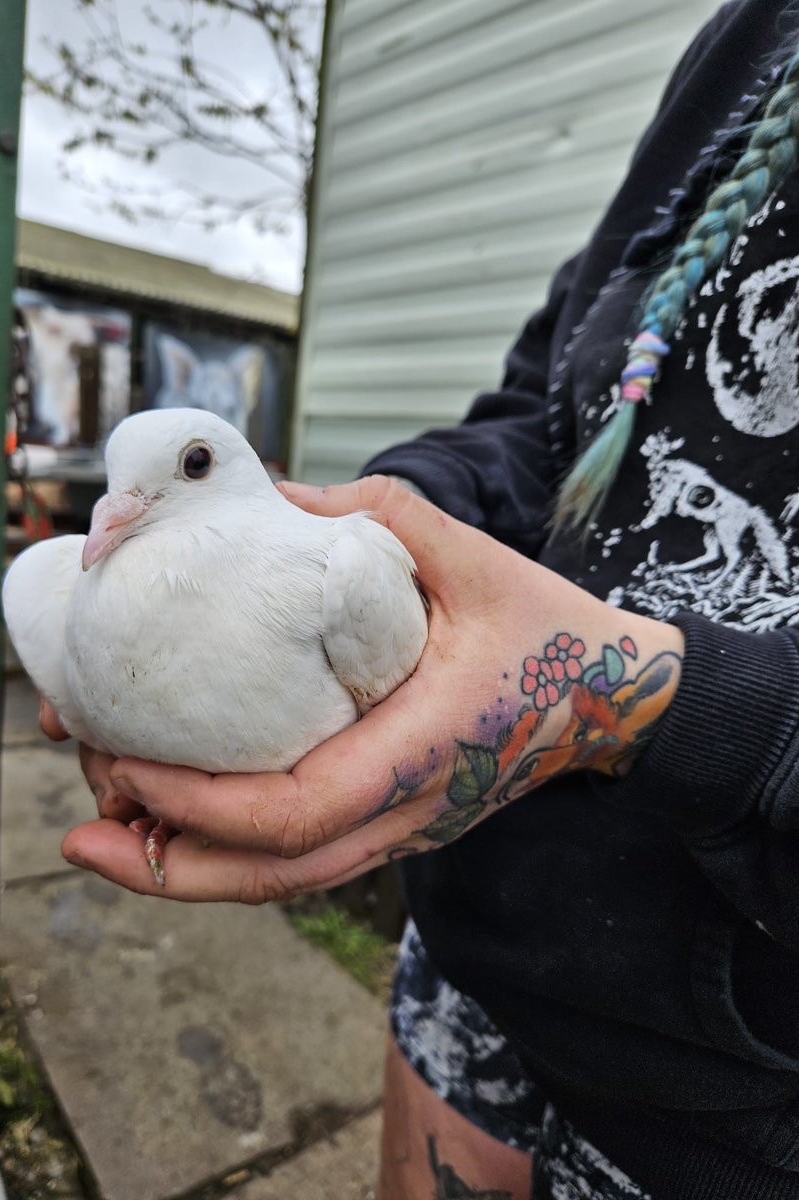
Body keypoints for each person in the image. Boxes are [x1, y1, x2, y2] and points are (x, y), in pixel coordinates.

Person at [48, 2, 799, 1195]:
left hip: (736, 1108)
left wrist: (676, 708)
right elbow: (539, 411)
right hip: (486, 936)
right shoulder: (749, 44)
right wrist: (392, 515)